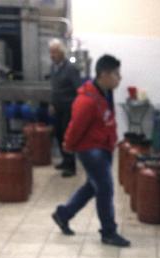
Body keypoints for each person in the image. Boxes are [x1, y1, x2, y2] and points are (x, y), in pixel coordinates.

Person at [51, 55, 131, 247]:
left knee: (92, 187)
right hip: (91, 151)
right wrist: (68, 145)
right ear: (104, 74)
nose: (119, 78)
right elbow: (75, 126)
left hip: (103, 147)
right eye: (116, 74)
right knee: (105, 188)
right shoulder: (87, 100)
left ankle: (63, 214)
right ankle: (108, 232)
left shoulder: (105, 92)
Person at [46, 39, 82, 178]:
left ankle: (71, 166)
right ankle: (65, 161)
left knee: (68, 137)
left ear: (62, 53)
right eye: (50, 52)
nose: (51, 55)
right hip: (57, 108)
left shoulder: (71, 68)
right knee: (59, 135)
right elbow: (54, 88)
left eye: (54, 52)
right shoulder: (53, 67)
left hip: (69, 108)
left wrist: (77, 109)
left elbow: (79, 89)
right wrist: (51, 103)